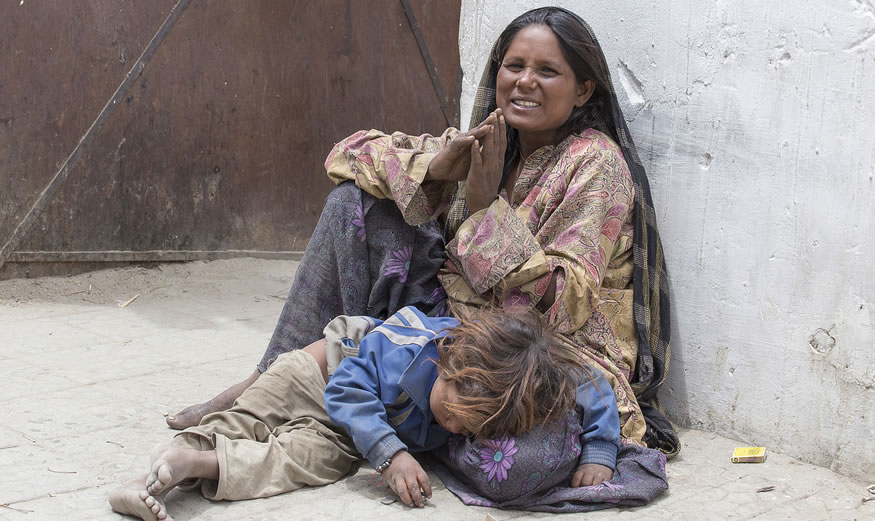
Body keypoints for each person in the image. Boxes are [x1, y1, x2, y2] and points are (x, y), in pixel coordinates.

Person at [167, 4, 677, 467]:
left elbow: (562, 306)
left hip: (541, 353)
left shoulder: (595, 164)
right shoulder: (491, 140)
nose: (525, 82)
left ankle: (357, 408)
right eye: (514, 66)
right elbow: (346, 156)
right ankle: (267, 378)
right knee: (355, 205)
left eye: (547, 71)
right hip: (452, 327)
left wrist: (485, 210)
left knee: (522, 453)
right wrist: (435, 168)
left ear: (583, 90)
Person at [109, 306, 620, 520]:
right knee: (253, 415)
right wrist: (392, 455)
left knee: (305, 462)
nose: (456, 430)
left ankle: (202, 465)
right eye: (455, 414)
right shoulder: (406, 346)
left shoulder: (501, 385)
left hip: (347, 433)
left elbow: (591, 382)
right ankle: (159, 469)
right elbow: (349, 389)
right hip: (319, 377)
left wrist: (599, 449)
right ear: (448, 364)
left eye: (471, 429)